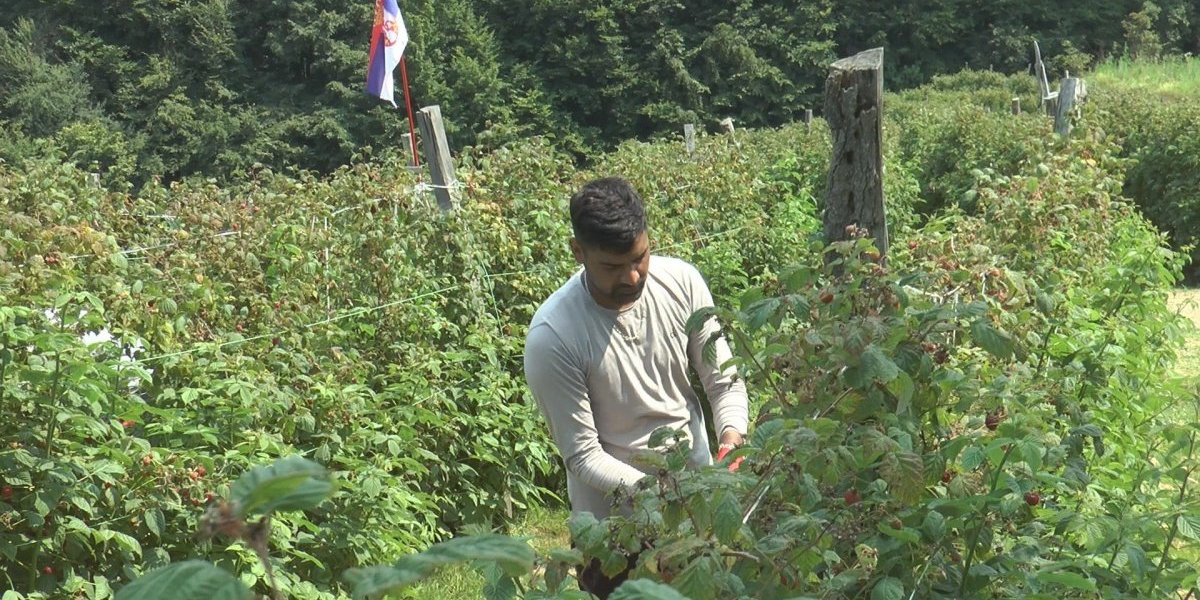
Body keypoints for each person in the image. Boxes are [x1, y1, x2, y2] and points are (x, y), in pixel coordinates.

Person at [523, 176, 749, 598]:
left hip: (697, 511)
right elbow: (583, 456)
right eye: (612, 266)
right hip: (614, 535)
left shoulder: (681, 283)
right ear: (578, 252)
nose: (631, 276)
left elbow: (723, 380)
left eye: (640, 257)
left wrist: (732, 437)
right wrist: (661, 493)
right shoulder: (554, 335)